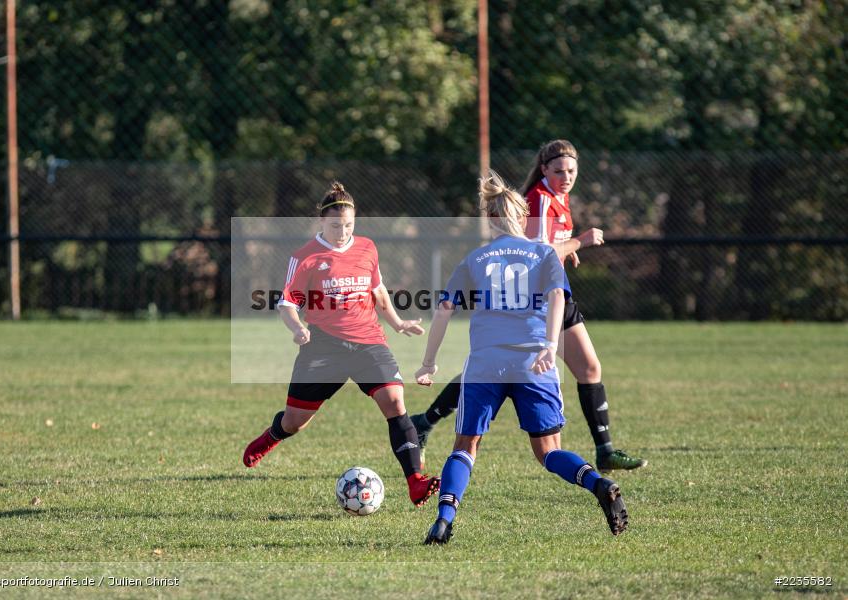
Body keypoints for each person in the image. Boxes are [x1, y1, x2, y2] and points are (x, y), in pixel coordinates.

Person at [415, 171, 628, 544]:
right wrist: (549, 344)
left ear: (490, 220)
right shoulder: (544, 253)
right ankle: (599, 482)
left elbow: (444, 308)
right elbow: (558, 297)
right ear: (522, 217)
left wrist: (429, 362)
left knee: (465, 447)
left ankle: (444, 519)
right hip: (534, 362)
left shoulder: (475, 258)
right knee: (548, 452)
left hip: (485, 365)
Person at [411, 140, 647, 472]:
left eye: (572, 171)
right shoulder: (537, 199)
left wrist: (568, 248)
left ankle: (604, 449)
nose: (566, 177)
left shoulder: (558, 199)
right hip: (534, 299)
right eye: (559, 171)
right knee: (502, 367)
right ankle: (427, 420)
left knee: (582, 368)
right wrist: (580, 241)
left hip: (551, 294)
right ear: (543, 170)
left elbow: (548, 248)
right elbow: (533, 252)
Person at [242, 181, 441, 507]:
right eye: (336, 225)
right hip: (323, 346)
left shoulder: (366, 248)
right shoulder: (305, 256)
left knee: (394, 401)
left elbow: (378, 291)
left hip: (368, 342)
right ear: (321, 221)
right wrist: (297, 329)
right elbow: (287, 303)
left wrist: (398, 322)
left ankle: (415, 481)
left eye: (349, 224)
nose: (343, 231)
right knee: (295, 421)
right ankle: (272, 436)